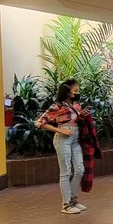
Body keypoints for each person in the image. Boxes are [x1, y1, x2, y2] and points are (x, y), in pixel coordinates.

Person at [36, 79, 90, 214]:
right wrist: (61, 130)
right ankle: (66, 204)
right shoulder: (57, 106)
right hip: (63, 139)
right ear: (67, 92)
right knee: (66, 172)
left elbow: (76, 120)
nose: (78, 93)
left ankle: (73, 199)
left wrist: (82, 116)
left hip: (75, 140)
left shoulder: (76, 105)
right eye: (75, 91)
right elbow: (40, 123)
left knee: (80, 170)